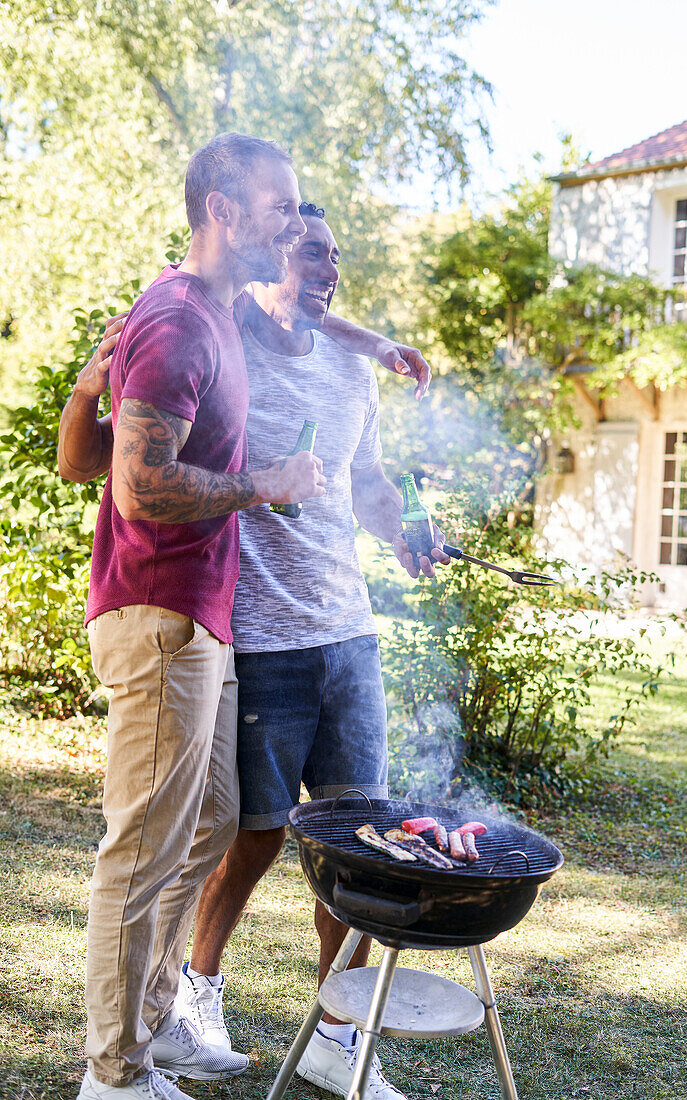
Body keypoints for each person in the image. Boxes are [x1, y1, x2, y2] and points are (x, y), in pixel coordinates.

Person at [60, 204, 447, 1100]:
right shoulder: (217, 329)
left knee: (356, 836)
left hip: (345, 631)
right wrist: (362, 327)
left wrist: (404, 529)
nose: (325, 267)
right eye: (307, 249)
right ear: (268, 254)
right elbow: (188, 296)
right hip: (253, 631)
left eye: (334, 255)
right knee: (248, 835)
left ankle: (338, 1035)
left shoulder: (353, 372)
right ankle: (194, 994)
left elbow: (366, 483)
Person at [71, 131, 327, 1100]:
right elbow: (136, 488)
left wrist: (377, 343)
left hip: (197, 620)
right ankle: (115, 1072)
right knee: (140, 853)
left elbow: (310, 311)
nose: (293, 222)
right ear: (221, 207)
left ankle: (153, 1023)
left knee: (211, 822)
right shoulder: (178, 321)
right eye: (279, 205)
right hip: (159, 615)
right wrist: (264, 483)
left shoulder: (216, 312)